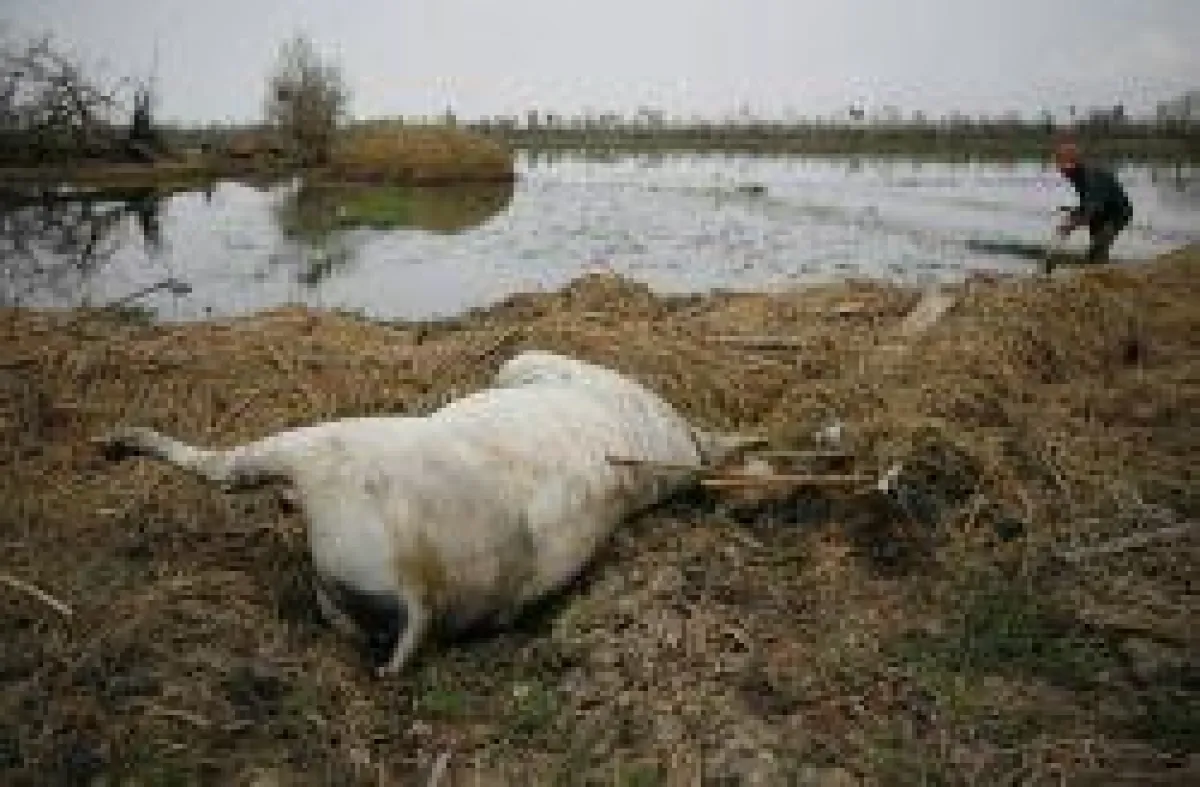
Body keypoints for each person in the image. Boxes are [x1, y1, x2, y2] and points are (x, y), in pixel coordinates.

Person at [1053, 142, 1133, 265]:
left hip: (1117, 213)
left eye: (1061, 164)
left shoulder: (1089, 175)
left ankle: (1100, 271)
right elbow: (1087, 202)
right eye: (1059, 164)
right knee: (1095, 246)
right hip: (1101, 213)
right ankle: (1101, 266)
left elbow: (1093, 206)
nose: (1060, 170)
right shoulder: (1077, 175)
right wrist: (1074, 212)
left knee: (1097, 249)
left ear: (1072, 162)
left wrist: (1071, 225)